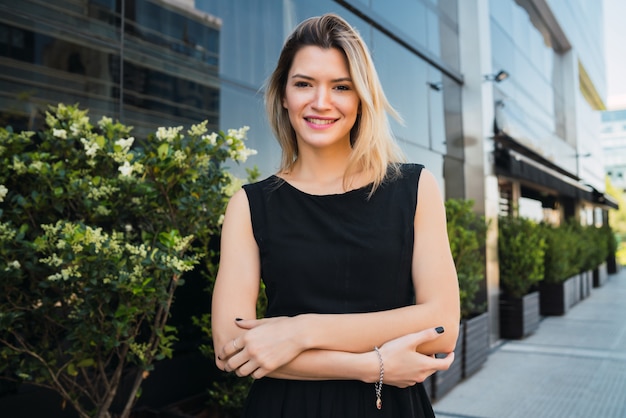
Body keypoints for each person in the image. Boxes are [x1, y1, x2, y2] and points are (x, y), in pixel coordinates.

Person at [211, 13, 460, 418]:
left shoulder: (415, 189)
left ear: (362, 98)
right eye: (304, 84)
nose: (321, 102)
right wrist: (371, 366)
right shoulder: (250, 204)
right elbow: (232, 347)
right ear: (284, 94)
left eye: (341, 87)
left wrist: (300, 331)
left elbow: (442, 326)